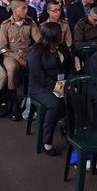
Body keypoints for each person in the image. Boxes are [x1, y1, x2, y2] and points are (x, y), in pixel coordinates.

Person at [27, 23, 69, 155]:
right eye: (59, 34)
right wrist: (57, 87)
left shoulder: (62, 47)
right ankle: (47, 141)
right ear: (52, 37)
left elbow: (70, 65)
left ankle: (71, 131)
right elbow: (38, 76)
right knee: (55, 105)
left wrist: (69, 83)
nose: (62, 36)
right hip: (40, 87)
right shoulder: (36, 52)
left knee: (78, 98)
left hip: (61, 83)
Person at [0, 0, 41, 121]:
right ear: (14, 10)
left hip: (28, 53)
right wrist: (18, 57)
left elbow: (38, 40)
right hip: (11, 55)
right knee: (11, 70)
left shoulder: (30, 22)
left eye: (26, 8)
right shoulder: (5, 25)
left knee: (37, 67)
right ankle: (14, 105)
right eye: (23, 8)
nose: (26, 11)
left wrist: (33, 52)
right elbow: (2, 48)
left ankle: (31, 100)